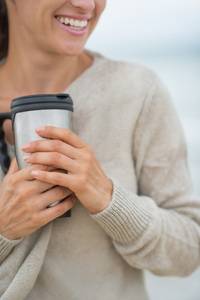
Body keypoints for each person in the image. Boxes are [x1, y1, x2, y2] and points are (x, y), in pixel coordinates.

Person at [0, 0, 200, 299]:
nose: (86, 4)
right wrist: (4, 229)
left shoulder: (137, 90)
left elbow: (189, 251)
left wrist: (109, 199)